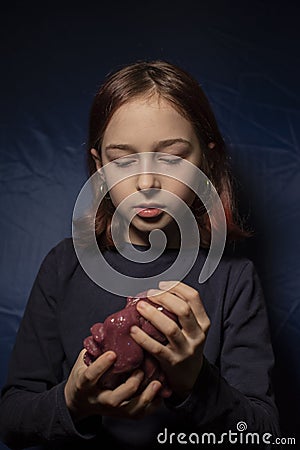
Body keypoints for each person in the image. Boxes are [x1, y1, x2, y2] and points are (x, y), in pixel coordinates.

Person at [0, 60, 281, 449]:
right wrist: (73, 402)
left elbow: (262, 435)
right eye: (124, 160)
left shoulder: (234, 278)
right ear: (100, 166)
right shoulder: (64, 266)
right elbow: (11, 421)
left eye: (171, 158)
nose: (147, 182)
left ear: (207, 160)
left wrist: (194, 380)